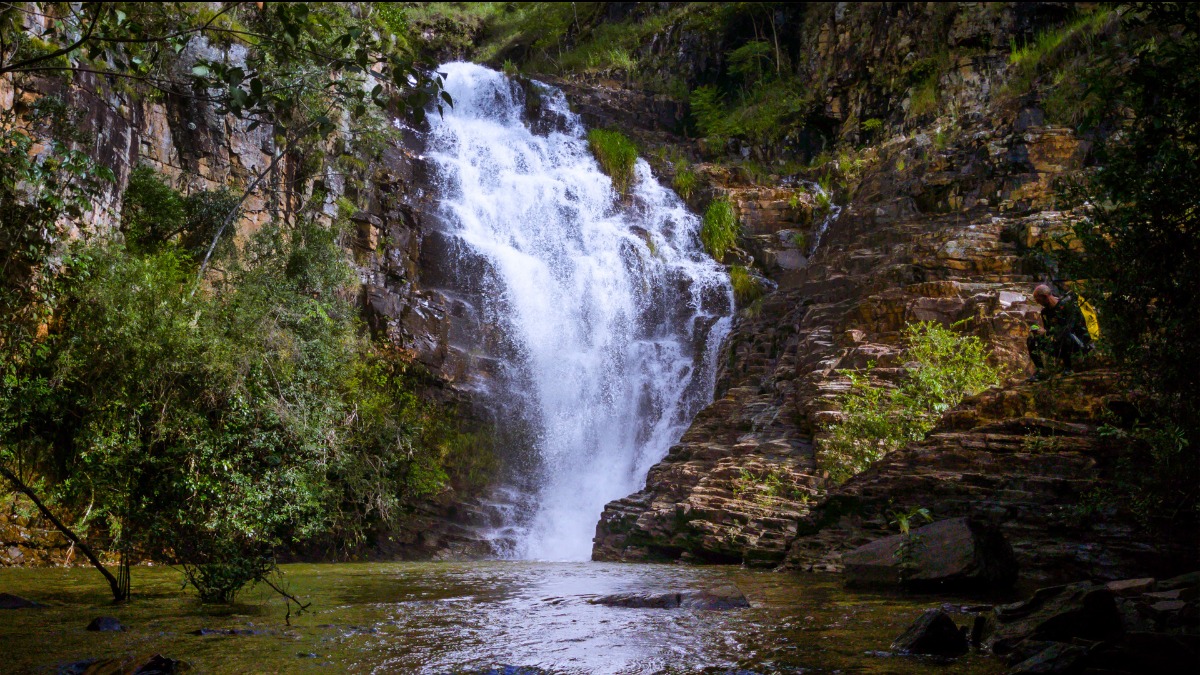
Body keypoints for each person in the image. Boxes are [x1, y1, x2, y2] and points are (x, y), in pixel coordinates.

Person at [1027, 284, 1093, 375]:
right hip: (1058, 343)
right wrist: (1041, 332)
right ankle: (1041, 371)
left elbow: (1070, 327)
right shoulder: (1045, 312)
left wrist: (1048, 332)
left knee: (1065, 334)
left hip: (1076, 342)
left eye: (1039, 300)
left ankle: (1068, 368)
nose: (1038, 303)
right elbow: (1049, 330)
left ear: (1045, 297)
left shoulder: (1067, 306)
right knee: (1031, 340)